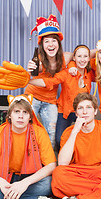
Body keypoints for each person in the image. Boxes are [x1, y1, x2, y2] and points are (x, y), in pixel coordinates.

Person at [28, 45, 94, 152]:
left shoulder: (90, 74)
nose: (82, 59)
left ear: (89, 58)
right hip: (65, 112)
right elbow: (49, 82)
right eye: (79, 56)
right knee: (59, 140)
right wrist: (28, 81)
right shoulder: (67, 73)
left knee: (86, 139)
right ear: (74, 58)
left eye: (85, 56)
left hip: (82, 113)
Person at [25, 14, 72, 149]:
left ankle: (49, 165)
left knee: (51, 134)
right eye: (46, 41)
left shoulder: (66, 58)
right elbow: (28, 75)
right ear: (42, 45)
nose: (50, 44)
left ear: (58, 43)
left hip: (50, 101)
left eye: (53, 40)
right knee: (27, 129)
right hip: (32, 97)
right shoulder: (37, 61)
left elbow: (84, 53)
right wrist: (29, 70)